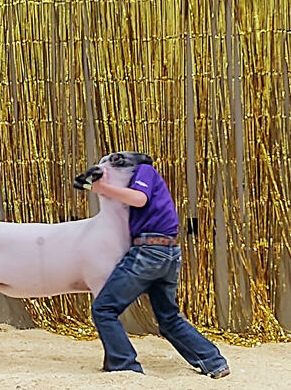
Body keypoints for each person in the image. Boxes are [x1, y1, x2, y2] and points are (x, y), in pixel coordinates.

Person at [89, 159, 230, 378]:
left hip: (149, 251)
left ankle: (125, 367)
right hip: (167, 253)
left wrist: (102, 188)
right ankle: (213, 362)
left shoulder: (144, 171)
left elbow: (139, 198)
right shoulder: (140, 182)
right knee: (169, 318)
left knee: (104, 309)